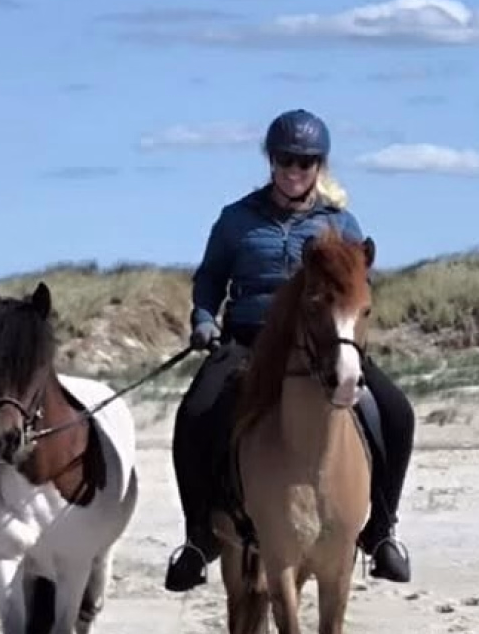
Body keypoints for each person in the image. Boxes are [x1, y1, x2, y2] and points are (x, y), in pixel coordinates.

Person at [164, 108, 415, 593]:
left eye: (306, 161)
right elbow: (211, 276)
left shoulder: (340, 224)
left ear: (319, 166)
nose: (295, 170)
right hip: (248, 341)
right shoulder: (237, 220)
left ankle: (382, 532)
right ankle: (198, 540)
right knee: (196, 411)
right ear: (270, 161)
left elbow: (358, 288)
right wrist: (202, 319)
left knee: (397, 413)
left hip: (323, 348)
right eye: (285, 160)